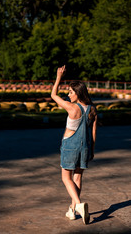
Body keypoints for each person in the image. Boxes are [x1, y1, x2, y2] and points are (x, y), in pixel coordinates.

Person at [51, 65, 97, 225]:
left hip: (70, 146)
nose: (69, 95)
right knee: (77, 177)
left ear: (78, 94)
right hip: (85, 147)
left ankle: (78, 205)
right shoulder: (92, 109)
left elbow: (53, 94)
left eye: (71, 92)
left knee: (66, 178)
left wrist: (58, 77)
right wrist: (91, 150)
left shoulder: (71, 107)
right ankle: (72, 211)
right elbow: (93, 134)